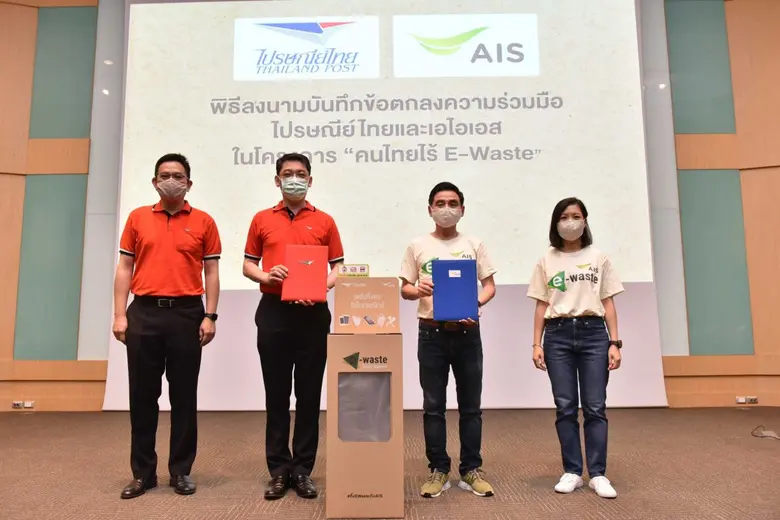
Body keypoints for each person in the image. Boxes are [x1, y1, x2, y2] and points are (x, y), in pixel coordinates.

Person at [112, 153, 222, 499]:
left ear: (189, 183)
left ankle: (181, 471)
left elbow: (212, 272)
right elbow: (124, 268)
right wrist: (119, 314)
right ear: (154, 182)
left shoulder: (204, 221)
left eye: (177, 176)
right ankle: (143, 473)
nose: (171, 180)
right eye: (164, 175)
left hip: (187, 314)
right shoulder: (137, 218)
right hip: (144, 313)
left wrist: (210, 315)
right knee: (142, 396)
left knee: (184, 396)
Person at [242, 153, 344, 500]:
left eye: (301, 173)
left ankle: (302, 471)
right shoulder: (261, 219)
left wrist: (319, 287)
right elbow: (247, 265)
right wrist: (266, 275)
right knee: (276, 395)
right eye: (288, 173)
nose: (294, 179)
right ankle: (278, 470)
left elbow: (338, 266)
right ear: (277, 180)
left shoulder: (325, 221)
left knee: (309, 395)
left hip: (313, 314)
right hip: (274, 312)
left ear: (310, 180)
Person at [399, 182, 497, 499]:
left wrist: (474, 303)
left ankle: (470, 470)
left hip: (468, 333)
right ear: (430, 209)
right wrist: (418, 290)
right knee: (433, 407)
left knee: (471, 407)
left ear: (462, 210)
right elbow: (405, 289)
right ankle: (438, 469)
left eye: (452, 203)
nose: (446, 209)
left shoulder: (474, 244)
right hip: (431, 333)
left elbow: (489, 286)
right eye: (440, 203)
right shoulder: (417, 245)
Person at [527, 197, 624, 499]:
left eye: (576, 216)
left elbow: (608, 301)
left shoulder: (598, 257)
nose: (570, 222)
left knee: (595, 406)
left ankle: (598, 474)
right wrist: (536, 343)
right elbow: (541, 304)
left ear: (585, 220)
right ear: (556, 223)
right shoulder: (547, 260)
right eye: (564, 217)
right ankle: (572, 471)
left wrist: (614, 342)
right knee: (565, 406)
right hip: (557, 335)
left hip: (594, 334)